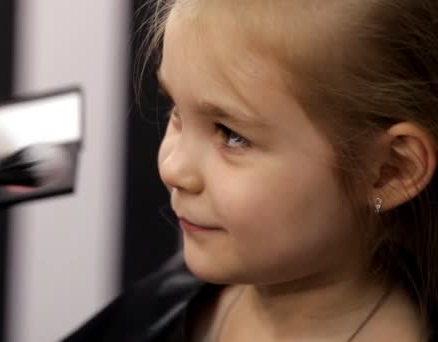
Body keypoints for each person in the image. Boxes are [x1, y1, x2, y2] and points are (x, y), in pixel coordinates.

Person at [65, 0, 438, 341]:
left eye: (232, 136)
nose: (172, 167)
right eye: (176, 111)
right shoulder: (154, 309)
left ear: (390, 171)